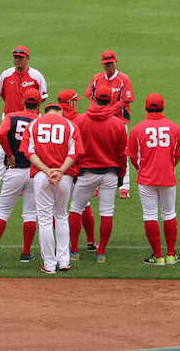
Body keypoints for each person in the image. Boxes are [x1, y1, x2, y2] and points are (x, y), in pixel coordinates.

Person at [68, 84, 127, 263]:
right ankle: (101, 252)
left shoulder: (80, 121)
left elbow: (74, 149)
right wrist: (121, 174)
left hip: (86, 172)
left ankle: (74, 250)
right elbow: (122, 154)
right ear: (110, 100)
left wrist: (75, 171)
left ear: (94, 99)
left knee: (76, 209)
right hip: (110, 173)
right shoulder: (118, 124)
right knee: (107, 212)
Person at [22, 102, 84, 274]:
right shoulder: (70, 125)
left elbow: (29, 152)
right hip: (64, 176)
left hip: (42, 176)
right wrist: (60, 171)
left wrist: (47, 170)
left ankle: (49, 264)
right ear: (61, 111)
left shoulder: (34, 124)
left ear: (45, 112)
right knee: (62, 216)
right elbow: (75, 152)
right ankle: (63, 261)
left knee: (45, 220)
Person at [0, 45, 48, 195]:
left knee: (33, 150)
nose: (17, 60)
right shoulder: (6, 75)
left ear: (27, 58)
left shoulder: (36, 76)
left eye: (20, 57)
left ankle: (33, 182)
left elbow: (42, 97)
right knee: (3, 152)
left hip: (31, 119)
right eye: (15, 57)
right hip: (10, 118)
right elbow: (3, 94)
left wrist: (29, 111)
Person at [126, 93, 180, 266]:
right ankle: (171, 254)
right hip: (168, 177)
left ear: (146, 107)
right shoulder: (174, 128)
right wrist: (169, 167)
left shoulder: (137, 130)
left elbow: (132, 157)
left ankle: (158, 256)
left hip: (146, 179)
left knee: (150, 215)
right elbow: (178, 155)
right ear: (163, 106)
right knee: (169, 213)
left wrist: (142, 169)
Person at [0, 87, 41, 263]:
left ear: (23, 101)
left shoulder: (11, 116)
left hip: (14, 170)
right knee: (30, 214)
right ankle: (25, 253)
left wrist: (9, 153)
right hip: (33, 172)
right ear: (39, 104)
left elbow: (1, 132)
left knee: (3, 211)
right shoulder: (40, 121)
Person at [85, 50, 134, 198]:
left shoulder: (123, 79)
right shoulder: (97, 78)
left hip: (119, 122)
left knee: (122, 152)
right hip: (99, 121)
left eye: (111, 63)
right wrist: (97, 112)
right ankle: (97, 185)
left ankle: (124, 187)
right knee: (98, 151)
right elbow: (91, 98)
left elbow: (125, 100)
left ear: (115, 62)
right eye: (106, 64)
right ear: (102, 64)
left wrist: (109, 111)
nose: (108, 66)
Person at [59, 89, 97, 255]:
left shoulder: (54, 119)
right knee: (83, 205)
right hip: (78, 169)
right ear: (70, 102)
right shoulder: (80, 119)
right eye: (75, 100)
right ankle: (90, 241)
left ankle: (63, 245)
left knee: (57, 210)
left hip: (57, 169)